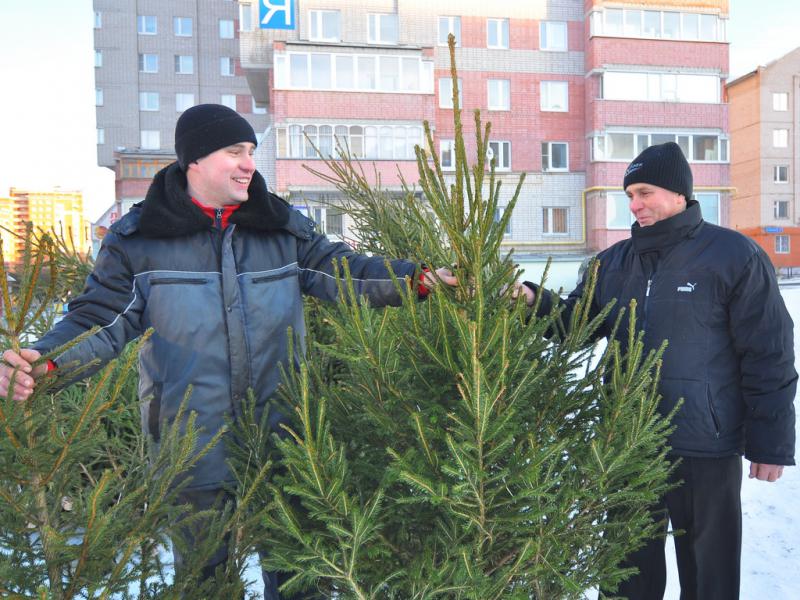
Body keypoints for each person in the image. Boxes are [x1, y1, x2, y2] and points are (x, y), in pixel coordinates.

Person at [0, 104, 456, 596]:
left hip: (285, 435)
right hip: (191, 445)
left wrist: (418, 281)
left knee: (301, 580)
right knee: (205, 584)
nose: (248, 164)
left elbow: (342, 271)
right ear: (193, 161)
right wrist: (45, 359)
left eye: (251, 152)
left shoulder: (279, 225)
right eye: (234, 151)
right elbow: (101, 318)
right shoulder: (139, 239)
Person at [516, 142, 796, 600]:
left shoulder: (733, 256)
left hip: (706, 445)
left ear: (679, 192)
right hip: (629, 442)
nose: (634, 205)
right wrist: (529, 300)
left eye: (644, 192)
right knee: (626, 572)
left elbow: (769, 353)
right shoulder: (614, 262)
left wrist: (772, 443)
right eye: (629, 195)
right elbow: (576, 326)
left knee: (710, 577)